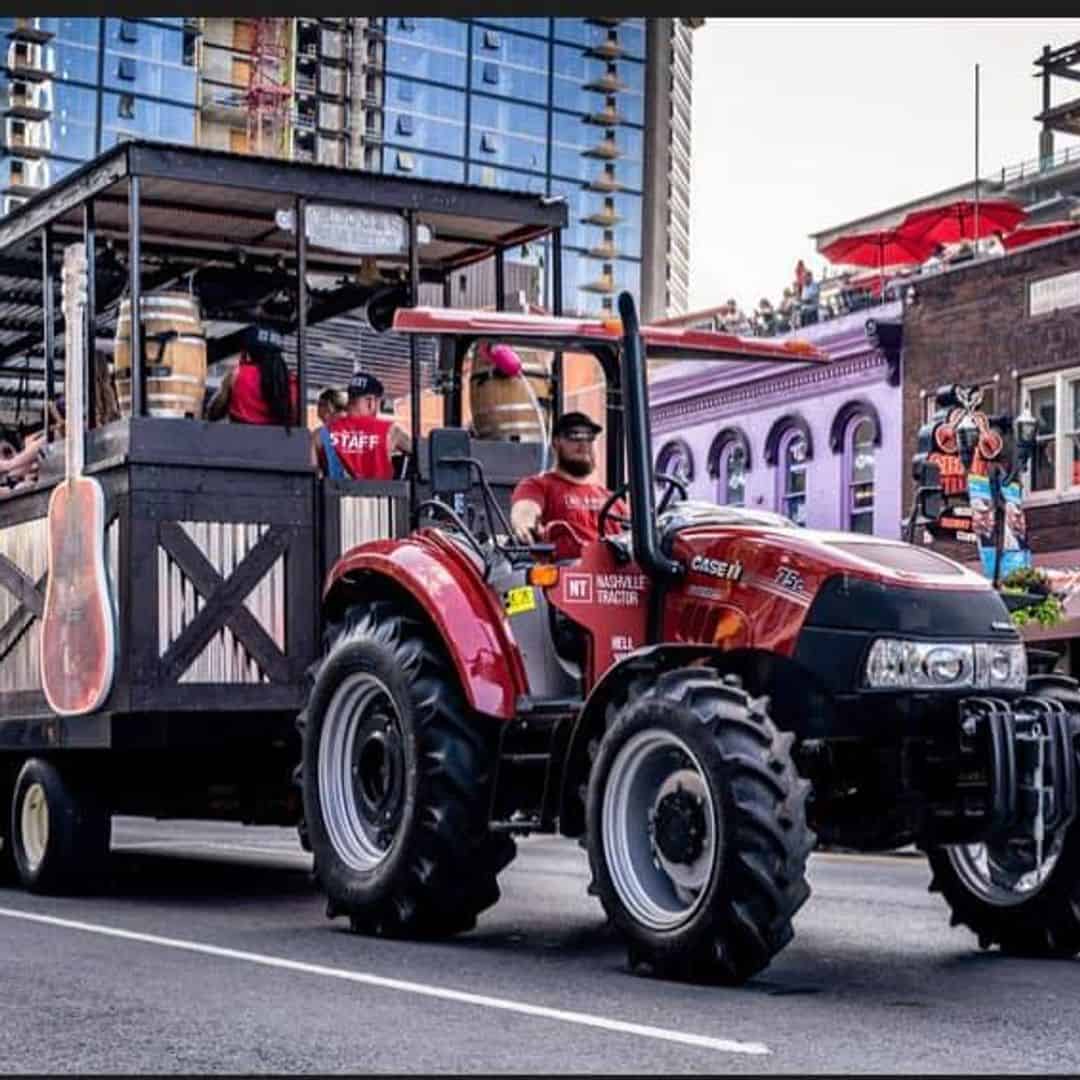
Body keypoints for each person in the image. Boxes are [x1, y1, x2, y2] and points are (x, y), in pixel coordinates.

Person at [510, 411, 627, 560]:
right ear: (556, 443)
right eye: (575, 436)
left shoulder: (613, 500)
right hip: (567, 570)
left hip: (615, 571)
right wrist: (525, 523)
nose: (584, 444)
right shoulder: (538, 485)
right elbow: (526, 508)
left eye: (589, 437)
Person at [317, 372, 410, 480]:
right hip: (380, 490)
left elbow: (308, 479)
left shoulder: (320, 435)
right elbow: (422, 456)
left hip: (336, 490)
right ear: (371, 402)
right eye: (380, 403)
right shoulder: (391, 432)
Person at [205, 326, 299, 428]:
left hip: (240, 436)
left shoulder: (237, 374)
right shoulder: (292, 382)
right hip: (278, 437)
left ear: (249, 352)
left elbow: (214, 412)